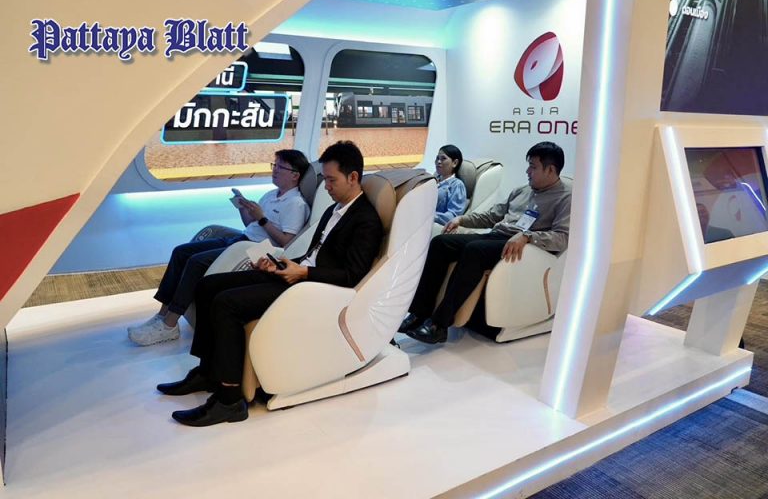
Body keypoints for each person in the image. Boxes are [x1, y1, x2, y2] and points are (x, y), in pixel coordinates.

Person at [156, 141, 384, 427]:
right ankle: (208, 372)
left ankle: (229, 399)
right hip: (298, 275)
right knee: (207, 286)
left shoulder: (366, 220)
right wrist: (279, 264)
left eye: (331, 180)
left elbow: (352, 275)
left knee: (226, 304)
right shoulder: (334, 210)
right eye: (325, 179)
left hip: (312, 289)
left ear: (353, 177)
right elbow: (312, 254)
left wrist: (302, 273)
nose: (326, 187)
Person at [127, 149, 311, 346]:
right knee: (181, 252)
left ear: (295, 175)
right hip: (241, 238)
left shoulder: (296, 204)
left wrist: (262, 218)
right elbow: (250, 224)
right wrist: (243, 208)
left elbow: (286, 242)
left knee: (196, 262)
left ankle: (170, 324)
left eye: (280, 167)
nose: (275, 170)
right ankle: (162, 315)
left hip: (255, 249)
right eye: (274, 165)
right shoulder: (270, 195)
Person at [400, 141, 571, 344]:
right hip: (497, 237)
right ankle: (419, 312)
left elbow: (562, 238)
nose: (527, 171)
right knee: (441, 243)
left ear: (550, 169)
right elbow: (492, 216)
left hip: (523, 248)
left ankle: (439, 324)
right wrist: (462, 219)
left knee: (474, 250)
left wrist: (528, 236)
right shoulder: (522, 190)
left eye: (533, 167)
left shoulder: (566, 197)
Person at [434, 144, 468, 225]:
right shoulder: (432, 179)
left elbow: (453, 216)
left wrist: (428, 216)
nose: (438, 162)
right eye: (437, 158)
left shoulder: (457, 185)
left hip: (435, 225)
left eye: (443, 158)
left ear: (454, 163)